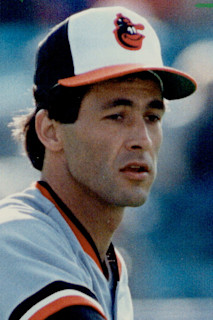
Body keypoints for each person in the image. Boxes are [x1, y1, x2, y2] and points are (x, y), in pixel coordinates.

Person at [0, 6, 196, 320]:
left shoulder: (109, 263)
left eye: (152, 117)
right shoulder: (16, 238)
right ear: (50, 131)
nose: (141, 138)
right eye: (117, 116)